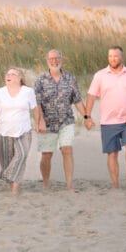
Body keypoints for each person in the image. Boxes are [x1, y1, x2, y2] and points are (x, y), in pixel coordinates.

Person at [85, 46, 126, 189]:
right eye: (110, 56)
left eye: (116, 56)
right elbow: (91, 96)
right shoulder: (100, 75)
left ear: (121, 57)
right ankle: (115, 183)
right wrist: (87, 116)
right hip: (108, 121)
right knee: (112, 154)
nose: (113, 59)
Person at [34, 49, 89, 190]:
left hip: (66, 121)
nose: (54, 61)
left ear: (61, 59)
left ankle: (69, 185)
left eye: (57, 58)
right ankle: (46, 184)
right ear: (47, 61)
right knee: (46, 155)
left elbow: (77, 100)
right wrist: (40, 121)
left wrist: (87, 117)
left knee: (67, 150)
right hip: (47, 122)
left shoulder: (70, 78)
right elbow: (37, 103)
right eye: (51, 58)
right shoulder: (41, 80)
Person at [0, 68, 39, 195]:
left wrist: (38, 122)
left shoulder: (28, 91)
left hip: (23, 130)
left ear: (20, 78)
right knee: (7, 161)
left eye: (12, 74)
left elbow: (35, 108)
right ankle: (13, 187)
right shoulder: (0, 92)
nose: (9, 75)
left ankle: (10, 180)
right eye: (7, 74)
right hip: (4, 131)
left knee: (21, 155)